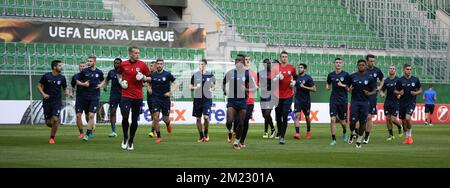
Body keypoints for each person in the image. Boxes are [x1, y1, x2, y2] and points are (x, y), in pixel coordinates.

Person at [117, 46, 151, 150]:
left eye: (138, 53)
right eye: (135, 53)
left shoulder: (142, 65)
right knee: (125, 117)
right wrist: (120, 81)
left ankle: (131, 140)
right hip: (126, 95)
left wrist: (144, 78)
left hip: (138, 96)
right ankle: (125, 137)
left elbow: (150, 78)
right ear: (130, 54)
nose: (137, 54)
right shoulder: (123, 64)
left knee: (134, 119)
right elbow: (118, 74)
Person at [223, 54, 256, 149]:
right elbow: (224, 82)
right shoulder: (230, 73)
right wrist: (224, 91)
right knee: (229, 121)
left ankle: (236, 142)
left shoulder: (246, 74)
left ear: (242, 62)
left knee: (241, 123)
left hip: (242, 101)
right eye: (235, 60)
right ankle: (230, 131)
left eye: (239, 60)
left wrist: (246, 89)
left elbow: (254, 88)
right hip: (232, 100)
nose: (236, 61)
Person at [37, 60, 68, 144]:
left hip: (57, 101)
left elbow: (65, 87)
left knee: (55, 119)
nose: (61, 67)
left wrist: (66, 92)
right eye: (59, 66)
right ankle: (55, 126)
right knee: (48, 123)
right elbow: (39, 86)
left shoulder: (62, 77)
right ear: (54, 67)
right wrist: (43, 94)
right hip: (47, 102)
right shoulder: (46, 76)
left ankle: (52, 138)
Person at [348, 60, 377, 148]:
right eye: (360, 65)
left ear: (365, 66)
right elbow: (347, 86)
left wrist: (369, 93)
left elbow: (375, 90)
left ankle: (359, 141)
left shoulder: (369, 78)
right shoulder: (352, 76)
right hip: (355, 102)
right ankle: (352, 133)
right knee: (352, 122)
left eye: (363, 65)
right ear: (357, 66)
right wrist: (349, 90)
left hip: (365, 103)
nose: (361, 66)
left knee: (362, 123)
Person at [149, 58, 178, 143]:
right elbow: (148, 83)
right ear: (156, 65)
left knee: (166, 118)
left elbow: (176, 82)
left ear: (163, 65)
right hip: (155, 99)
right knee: (155, 117)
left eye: (161, 64)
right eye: (158, 64)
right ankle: (158, 136)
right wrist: (149, 88)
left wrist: (171, 91)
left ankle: (168, 124)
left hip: (165, 100)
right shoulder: (153, 75)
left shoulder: (168, 74)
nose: (159, 65)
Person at [271, 51, 297, 144]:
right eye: (282, 56)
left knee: (285, 114)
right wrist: (276, 78)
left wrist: (294, 83)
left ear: (287, 58)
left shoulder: (292, 68)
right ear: (280, 57)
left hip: (288, 95)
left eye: (286, 56)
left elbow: (296, 77)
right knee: (278, 117)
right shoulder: (275, 68)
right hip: (277, 96)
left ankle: (282, 137)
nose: (284, 58)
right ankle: (280, 133)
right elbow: (271, 81)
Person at [77, 55, 104, 142]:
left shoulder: (99, 72)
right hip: (84, 97)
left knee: (91, 115)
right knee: (86, 115)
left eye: (91, 61)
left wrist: (100, 85)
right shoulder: (84, 71)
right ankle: (88, 130)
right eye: (88, 61)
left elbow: (103, 80)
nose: (89, 62)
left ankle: (87, 134)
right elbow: (77, 81)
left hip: (95, 97)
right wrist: (83, 84)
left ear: (94, 62)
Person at [395, 64, 422, 145]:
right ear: (404, 70)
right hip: (402, 103)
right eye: (407, 69)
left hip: (411, 102)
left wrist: (416, 92)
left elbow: (420, 89)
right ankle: (407, 138)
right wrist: (399, 92)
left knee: (407, 118)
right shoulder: (400, 80)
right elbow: (395, 91)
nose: (409, 71)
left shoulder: (415, 79)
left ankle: (410, 136)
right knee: (403, 120)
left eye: (410, 69)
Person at [190, 59, 215, 142]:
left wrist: (212, 89)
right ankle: (201, 136)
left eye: (202, 64)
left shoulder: (210, 75)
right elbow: (190, 87)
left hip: (207, 99)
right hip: (197, 100)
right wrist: (195, 87)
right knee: (198, 119)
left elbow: (214, 85)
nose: (201, 66)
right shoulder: (195, 75)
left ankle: (206, 132)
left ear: (205, 65)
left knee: (206, 117)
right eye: (200, 64)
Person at [326, 58, 350, 146]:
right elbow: (328, 82)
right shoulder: (331, 75)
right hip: (333, 100)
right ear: (334, 64)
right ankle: (333, 139)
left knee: (343, 122)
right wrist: (328, 87)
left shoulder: (346, 75)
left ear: (342, 64)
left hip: (343, 100)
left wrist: (342, 85)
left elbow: (350, 88)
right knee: (332, 119)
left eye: (340, 63)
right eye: (336, 62)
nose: (338, 64)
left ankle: (344, 132)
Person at [363, 54, 384, 144]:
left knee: (369, 117)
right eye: (370, 61)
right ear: (367, 61)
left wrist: (380, 87)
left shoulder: (377, 70)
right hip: (362, 95)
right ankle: (358, 133)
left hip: (372, 96)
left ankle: (367, 136)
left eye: (373, 61)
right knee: (361, 117)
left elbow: (382, 79)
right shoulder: (363, 70)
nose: (372, 62)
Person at [380, 65, 403, 140]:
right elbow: (382, 90)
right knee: (387, 118)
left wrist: (399, 94)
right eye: (390, 69)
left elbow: (403, 90)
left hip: (395, 102)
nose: (392, 70)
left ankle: (399, 126)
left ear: (395, 70)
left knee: (393, 119)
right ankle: (391, 135)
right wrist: (382, 93)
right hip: (387, 102)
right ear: (389, 70)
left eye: (393, 69)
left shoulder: (398, 80)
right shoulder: (386, 80)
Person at [293, 63, 316, 140]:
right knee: (296, 115)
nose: (299, 69)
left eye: (301, 67)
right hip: (297, 99)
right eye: (299, 67)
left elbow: (314, 89)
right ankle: (297, 133)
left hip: (306, 100)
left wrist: (305, 87)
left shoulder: (308, 78)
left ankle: (308, 131)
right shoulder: (296, 77)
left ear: (305, 69)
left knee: (307, 117)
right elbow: (293, 86)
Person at [240, 55, 257, 147]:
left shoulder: (252, 74)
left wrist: (246, 89)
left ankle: (241, 141)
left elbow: (255, 88)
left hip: (249, 101)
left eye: (248, 60)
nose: (247, 61)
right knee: (239, 121)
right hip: (238, 101)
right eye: (245, 60)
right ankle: (237, 138)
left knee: (245, 121)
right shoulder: (238, 73)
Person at [104, 58, 122, 137]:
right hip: (114, 95)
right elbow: (107, 79)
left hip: (123, 95)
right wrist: (105, 85)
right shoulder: (111, 72)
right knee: (112, 112)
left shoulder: (124, 72)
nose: (116, 64)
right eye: (115, 63)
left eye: (118, 63)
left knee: (124, 113)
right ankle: (114, 131)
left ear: (121, 64)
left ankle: (125, 130)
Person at [258, 59, 276, 139]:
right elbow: (257, 82)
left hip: (271, 96)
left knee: (267, 113)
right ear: (263, 64)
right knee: (264, 115)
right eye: (265, 63)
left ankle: (270, 130)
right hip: (262, 95)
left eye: (269, 63)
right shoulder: (260, 73)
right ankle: (270, 128)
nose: (267, 65)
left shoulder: (274, 73)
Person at [70, 62, 87, 139]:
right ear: (79, 67)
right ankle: (81, 133)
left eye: (84, 66)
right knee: (78, 115)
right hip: (79, 99)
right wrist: (71, 93)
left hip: (89, 99)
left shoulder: (89, 76)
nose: (82, 67)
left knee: (88, 116)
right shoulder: (75, 76)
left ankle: (90, 128)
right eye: (81, 66)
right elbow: (72, 86)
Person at [146, 61, 157, 137]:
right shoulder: (148, 74)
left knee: (155, 114)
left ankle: (152, 131)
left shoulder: (158, 75)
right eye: (150, 65)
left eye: (152, 66)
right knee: (152, 115)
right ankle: (156, 130)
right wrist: (148, 87)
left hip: (156, 97)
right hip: (149, 96)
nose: (150, 67)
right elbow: (145, 82)